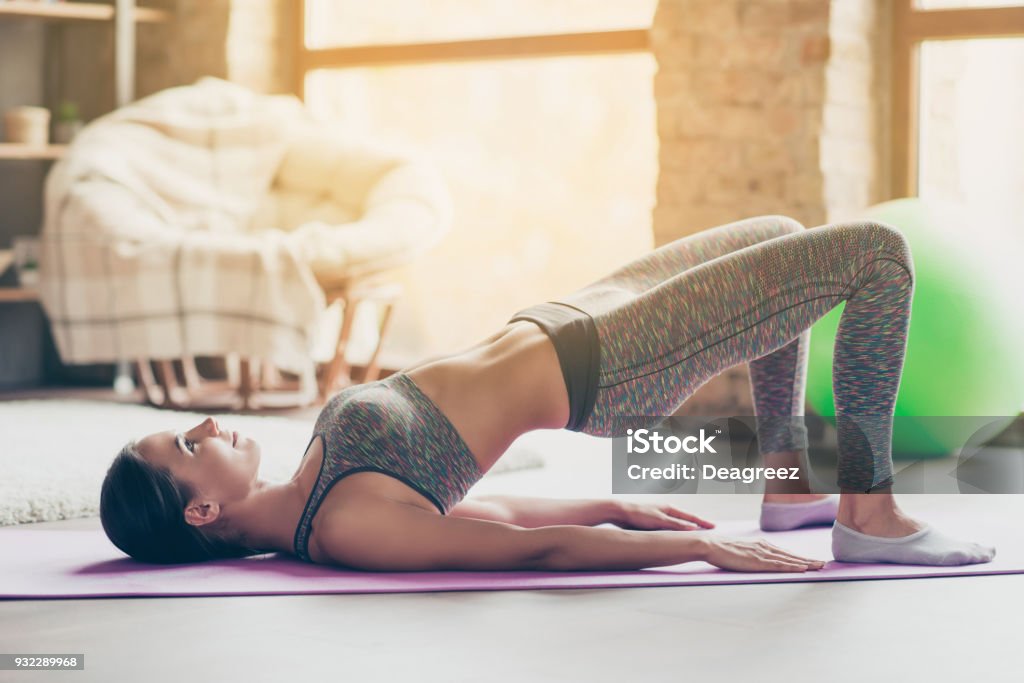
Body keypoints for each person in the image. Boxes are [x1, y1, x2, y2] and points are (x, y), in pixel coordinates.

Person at [100, 215, 996, 571]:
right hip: (609, 361)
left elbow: (487, 499)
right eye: (185, 446)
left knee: (784, 234)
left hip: (574, 316)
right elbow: (522, 551)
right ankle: (867, 512)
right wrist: (695, 554)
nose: (205, 425)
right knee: (877, 255)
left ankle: (790, 484)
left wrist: (611, 497)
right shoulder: (340, 527)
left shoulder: (311, 486)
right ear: (202, 511)